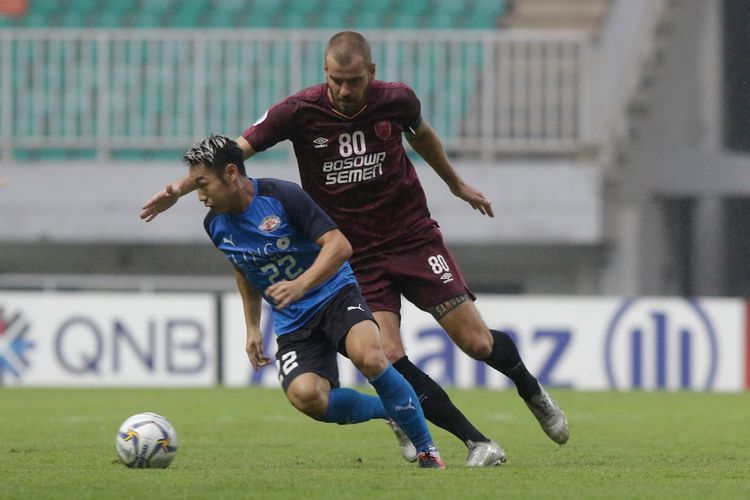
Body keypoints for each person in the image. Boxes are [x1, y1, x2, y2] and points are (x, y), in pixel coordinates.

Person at [141, 31, 568, 466]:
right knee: (387, 356)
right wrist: (178, 188)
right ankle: (476, 443)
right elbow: (230, 154)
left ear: (371, 73)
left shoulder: (397, 100)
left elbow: (422, 138)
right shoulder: (298, 111)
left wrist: (456, 184)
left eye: (354, 81)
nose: (344, 90)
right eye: (336, 80)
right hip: (353, 253)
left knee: (476, 343)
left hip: (411, 236)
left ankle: (531, 390)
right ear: (324, 72)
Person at [182, 134, 444, 469]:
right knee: (306, 397)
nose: (200, 196)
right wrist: (251, 327)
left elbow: (339, 245)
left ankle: (427, 452)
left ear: (231, 173)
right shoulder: (214, 224)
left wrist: (301, 283)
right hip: (293, 320)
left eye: (203, 185)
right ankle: (390, 411)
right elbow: (243, 269)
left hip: (334, 294)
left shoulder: (281, 195)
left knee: (371, 357)